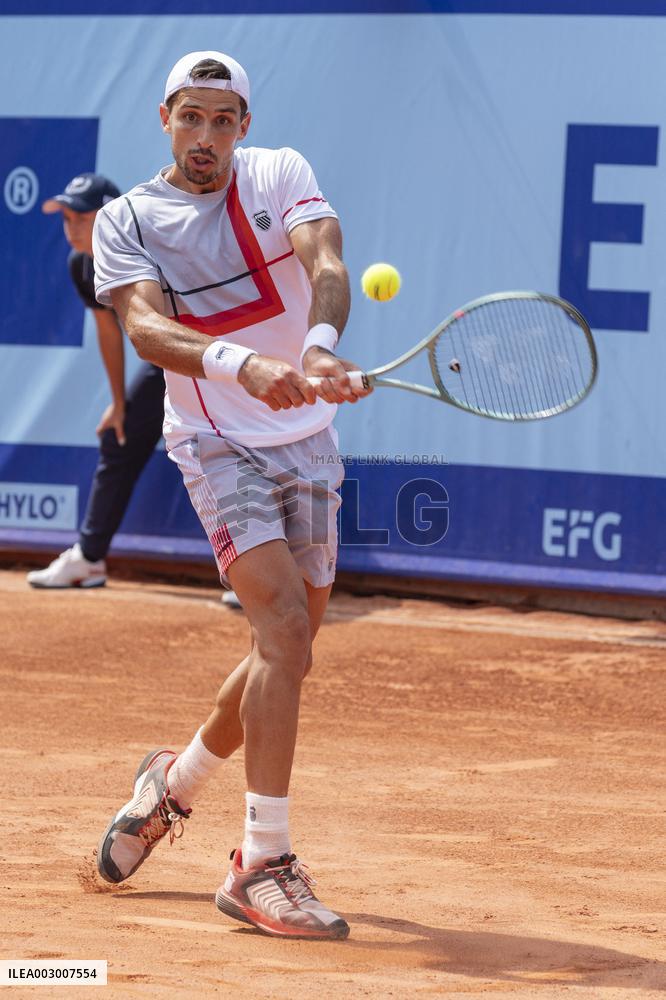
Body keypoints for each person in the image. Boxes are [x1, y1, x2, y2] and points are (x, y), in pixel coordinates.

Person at [92, 51, 368, 940]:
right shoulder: (128, 217)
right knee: (284, 629)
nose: (205, 136)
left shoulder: (280, 173)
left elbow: (325, 259)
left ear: (243, 127)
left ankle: (172, 787)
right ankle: (262, 864)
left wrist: (320, 343)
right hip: (214, 441)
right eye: (191, 117)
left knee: (286, 650)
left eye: (223, 120)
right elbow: (143, 325)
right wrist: (243, 362)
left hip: (307, 443)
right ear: (165, 116)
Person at [26, 173, 166, 589]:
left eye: (81, 218)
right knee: (118, 437)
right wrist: (119, 403)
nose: (71, 228)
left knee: (224, 451)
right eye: (66, 218)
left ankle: (254, 574)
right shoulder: (81, 264)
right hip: (166, 363)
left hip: (211, 356)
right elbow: (109, 330)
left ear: (110, 218)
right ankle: (89, 558)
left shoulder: (150, 252)